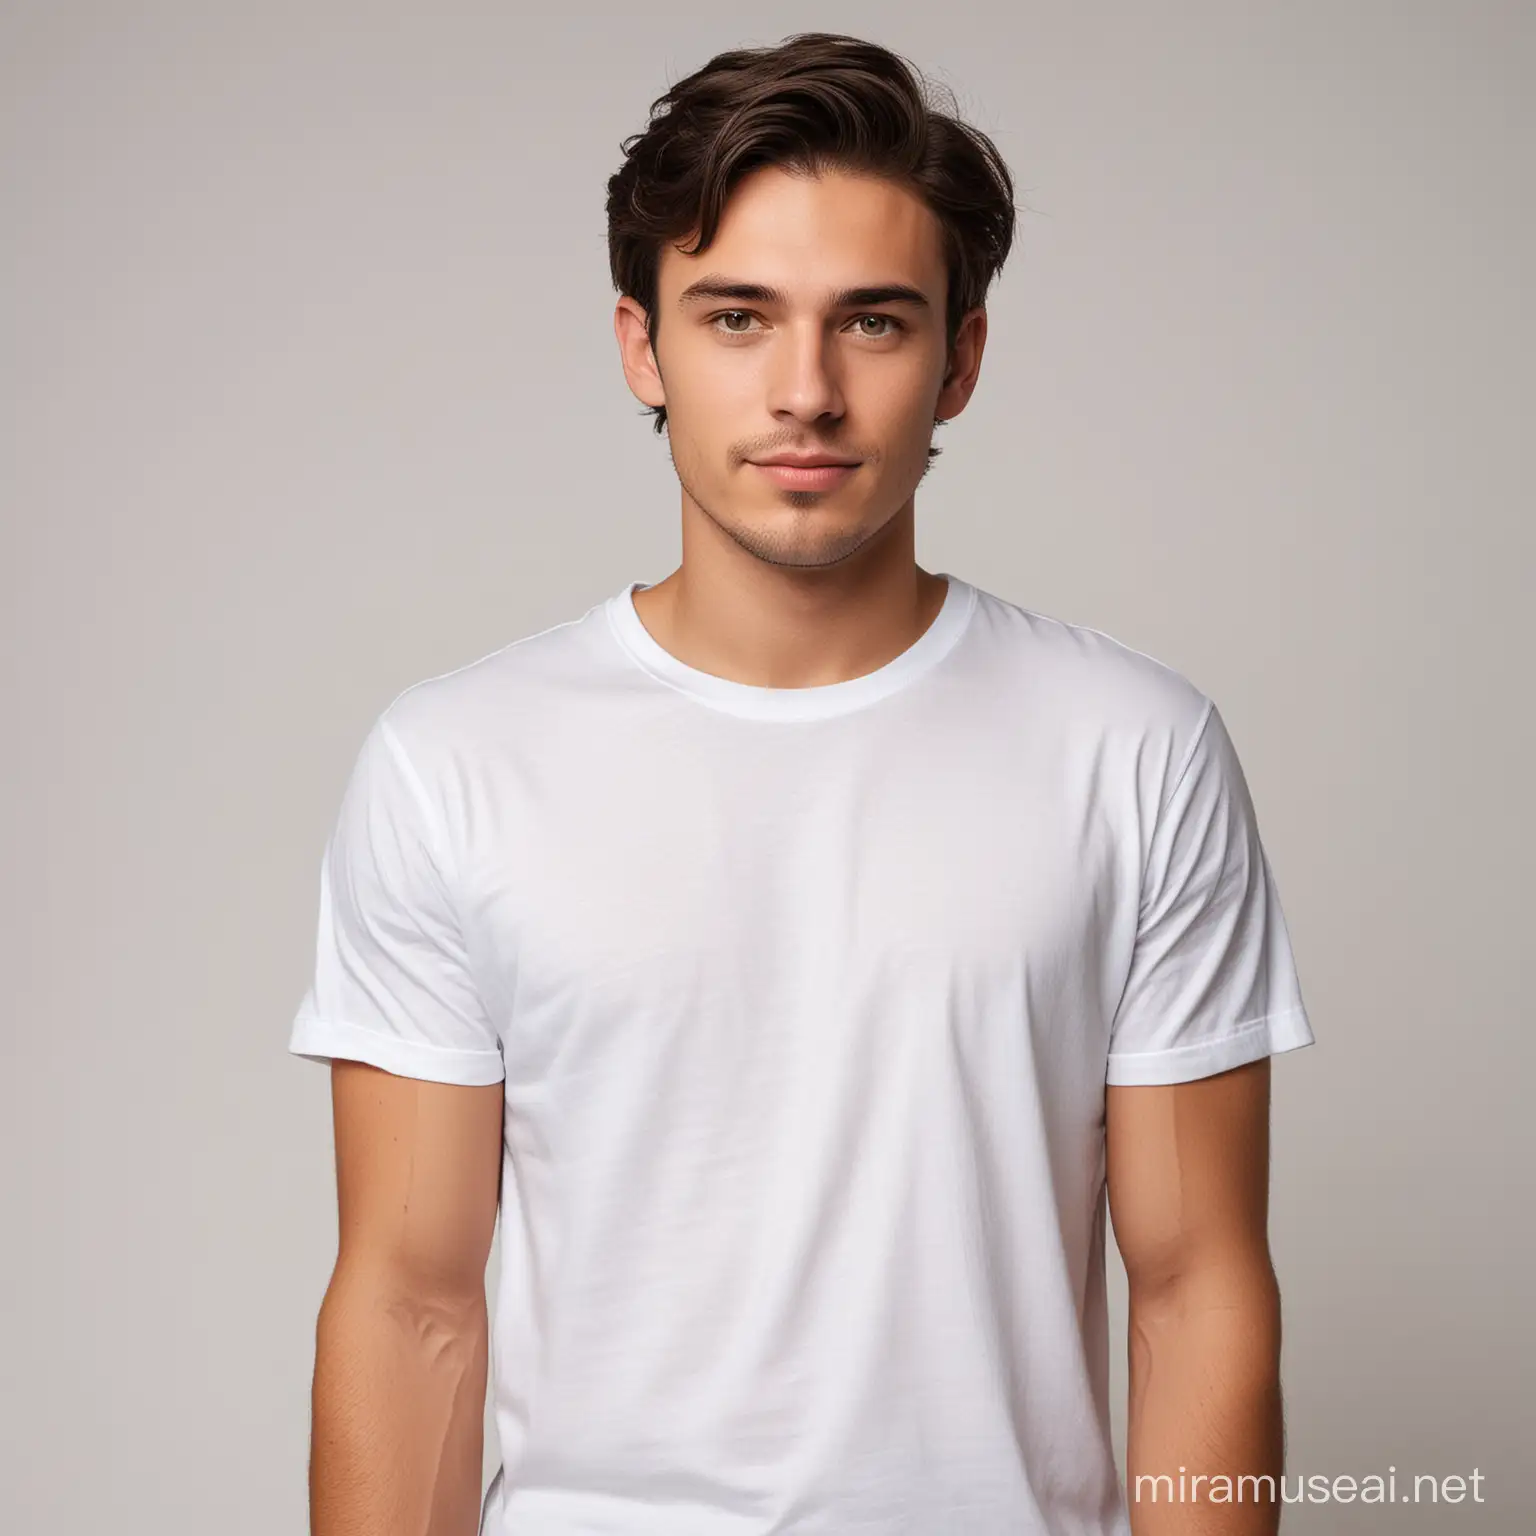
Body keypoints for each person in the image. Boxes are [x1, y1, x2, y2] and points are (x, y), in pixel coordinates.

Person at [289, 30, 1315, 1536]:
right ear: (643, 345)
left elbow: (1196, 1288)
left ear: (961, 358)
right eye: (738, 318)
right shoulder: (456, 763)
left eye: (876, 323)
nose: (808, 391)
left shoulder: (1133, 750)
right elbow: (410, 1305)